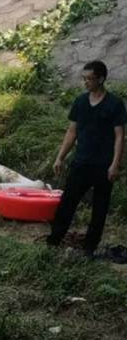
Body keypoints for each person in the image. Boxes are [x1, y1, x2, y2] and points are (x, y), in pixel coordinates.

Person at [47, 60, 127, 257]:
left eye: (89, 79)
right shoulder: (81, 102)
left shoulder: (114, 104)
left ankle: (89, 248)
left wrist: (115, 165)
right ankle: (53, 241)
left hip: (103, 166)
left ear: (101, 79)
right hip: (81, 162)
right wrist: (60, 157)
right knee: (67, 203)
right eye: (84, 79)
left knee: (99, 209)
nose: (86, 82)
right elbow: (71, 132)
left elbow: (119, 137)